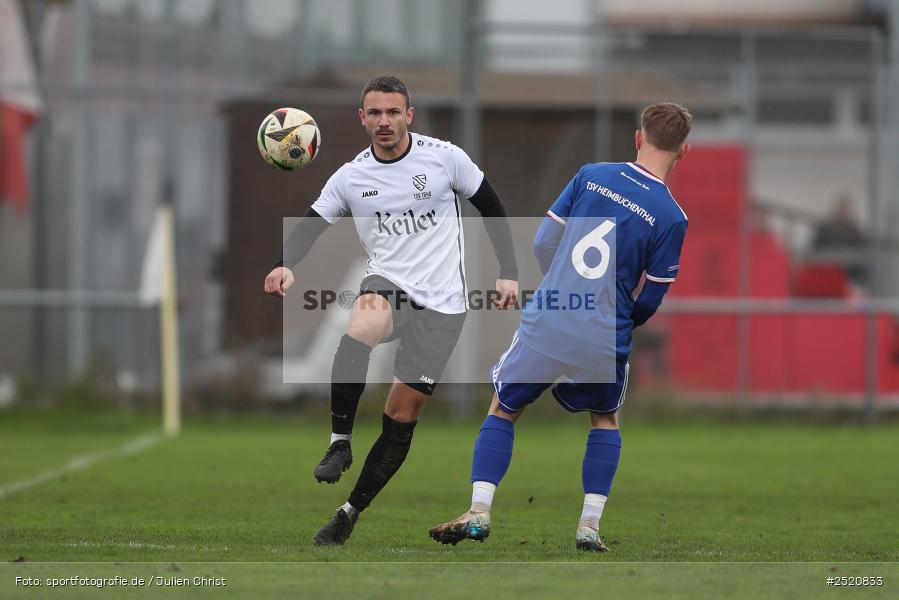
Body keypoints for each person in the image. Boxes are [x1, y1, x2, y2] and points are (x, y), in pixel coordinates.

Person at [263, 75, 519, 546]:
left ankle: (347, 514)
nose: (384, 121)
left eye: (392, 112)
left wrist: (508, 270)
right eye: (375, 113)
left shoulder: (445, 158)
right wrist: (283, 264)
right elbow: (309, 227)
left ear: (409, 115)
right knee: (362, 321)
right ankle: (340, 442)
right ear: (363, 118)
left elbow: (493, 206)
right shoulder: (350, 176)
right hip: (390, 283)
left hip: (444, 305)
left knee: (400, 417)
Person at [428, 102, 692, 552]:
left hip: (551, 318)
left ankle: (479, 511)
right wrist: (620, 318)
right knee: (605, 419)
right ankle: (588, 527)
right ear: (684, 151)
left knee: (503, 409)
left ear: (637, 138)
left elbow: (544, 240)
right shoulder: (672, 217)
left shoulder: (591, 175)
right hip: (604, 336)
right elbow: (651, 296)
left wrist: (564, 288)